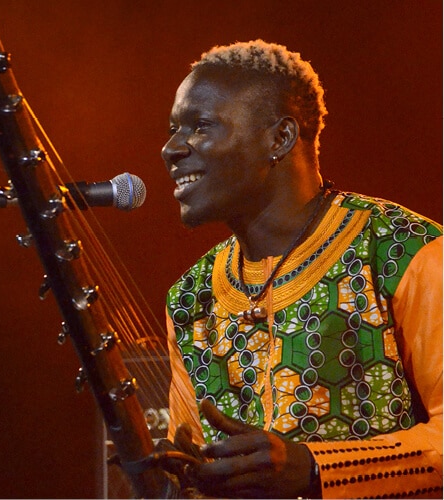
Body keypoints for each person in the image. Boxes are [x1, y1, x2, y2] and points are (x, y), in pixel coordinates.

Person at [160, 40, 442, 499]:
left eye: (201, 126)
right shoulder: (191, 299)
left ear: (280, 138)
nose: (171, 149)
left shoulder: (405, 251)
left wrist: (316, 470)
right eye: (174, 129)